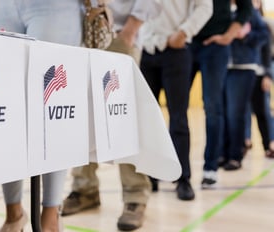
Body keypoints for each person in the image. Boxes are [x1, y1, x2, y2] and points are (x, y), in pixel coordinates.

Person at [61, 0, 160, 231]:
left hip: (119, 34)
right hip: (79, 36)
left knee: (122, 120)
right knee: (82, 119)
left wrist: (130, 30)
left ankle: (135, 195)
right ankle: (85, 189)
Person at [0, 0, 83, 231]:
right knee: (3, 107)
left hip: (55, 6)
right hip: (1, 5)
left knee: (53, 107)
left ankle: (50, 216)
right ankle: (14, 214)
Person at [139, 0, 213, 200]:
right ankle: (150, 175)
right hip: (145, 50)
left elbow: (206, 6)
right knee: (147, 120)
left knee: (178, 118)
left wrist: (184, 32)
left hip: (176, 51)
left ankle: (182, 178)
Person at [190, 0, 253, 188]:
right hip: (185, 42)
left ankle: (211, 167)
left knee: (213, 108)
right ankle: (177, 169)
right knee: (177, 109)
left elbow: (246, 7)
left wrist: (228, 35)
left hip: (216, 47)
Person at [219, 0, 269, 171]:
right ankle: (222, 154)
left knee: (235, 113)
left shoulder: (248, 10)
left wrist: (245, 36)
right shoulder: (221, 8)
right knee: (222, 113)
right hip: (221, 66)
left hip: (244, 67)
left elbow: (264, 35)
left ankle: (235, 155)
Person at [243, 2, 274, 159]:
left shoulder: (265, 24)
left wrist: (268, 74)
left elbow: (268, 51)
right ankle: (245, 141)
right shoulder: (240, 20)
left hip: (261, 72)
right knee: (244, 110)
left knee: (263, 110)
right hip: (245, 71)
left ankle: (270, 143)